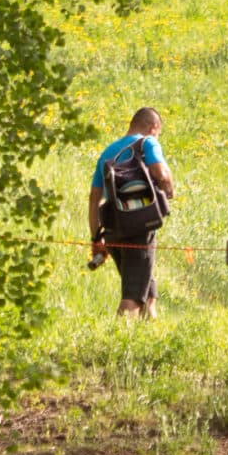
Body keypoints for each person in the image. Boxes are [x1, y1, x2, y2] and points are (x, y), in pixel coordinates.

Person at [89, 107, 175, 318]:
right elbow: (161, 173)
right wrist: (170, 189)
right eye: (158, 132)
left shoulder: (107, 152)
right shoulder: (147, 142)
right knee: (132, 298)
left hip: (113, 229)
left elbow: (94, 198)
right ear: (153, 127)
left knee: (147, 292)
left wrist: (96, 239)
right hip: (139, 227)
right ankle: (116, 343)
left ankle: (151, 340)